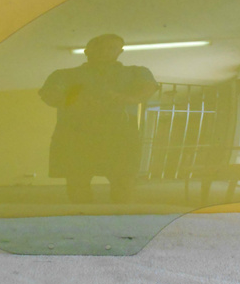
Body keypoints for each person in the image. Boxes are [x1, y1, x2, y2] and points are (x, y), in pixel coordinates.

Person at [39, 34, 158, 203]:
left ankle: (121, 217)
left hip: (120, 135)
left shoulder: (136, 72)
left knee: (123, 180)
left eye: (111, 48)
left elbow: (148, 88)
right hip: (77, 134)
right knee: (77, 181)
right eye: (99, 47)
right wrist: (78, 101)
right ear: (87, 51)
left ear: (120, 51)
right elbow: (49, 94)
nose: (104, 51)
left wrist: (126, 98)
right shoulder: (64, 75)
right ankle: (82, 217)